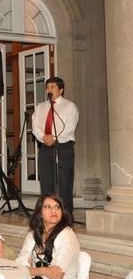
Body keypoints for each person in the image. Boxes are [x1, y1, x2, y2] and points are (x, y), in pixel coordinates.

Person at [16, 194, 79, 279]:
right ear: (40, 212)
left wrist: (31, 270)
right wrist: (44, 271)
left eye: (57, 207)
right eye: (48, 207)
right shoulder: (33, 236)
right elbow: (20, 265)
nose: (54, 210)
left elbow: (56, 274)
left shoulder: (67, 236)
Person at [32, 76, 79, 214]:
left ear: (61, 90)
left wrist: (54, 138)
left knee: (65, 183)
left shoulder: (69, 106)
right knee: (46, 183)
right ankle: (47, 214)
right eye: (47, 87)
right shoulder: (40, 107)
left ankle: (66, 216)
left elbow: (69, 127)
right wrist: (43, 137)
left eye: (52, 87)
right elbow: (35, 127)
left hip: (63, 147)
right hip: (45, 147)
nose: (49, 90)